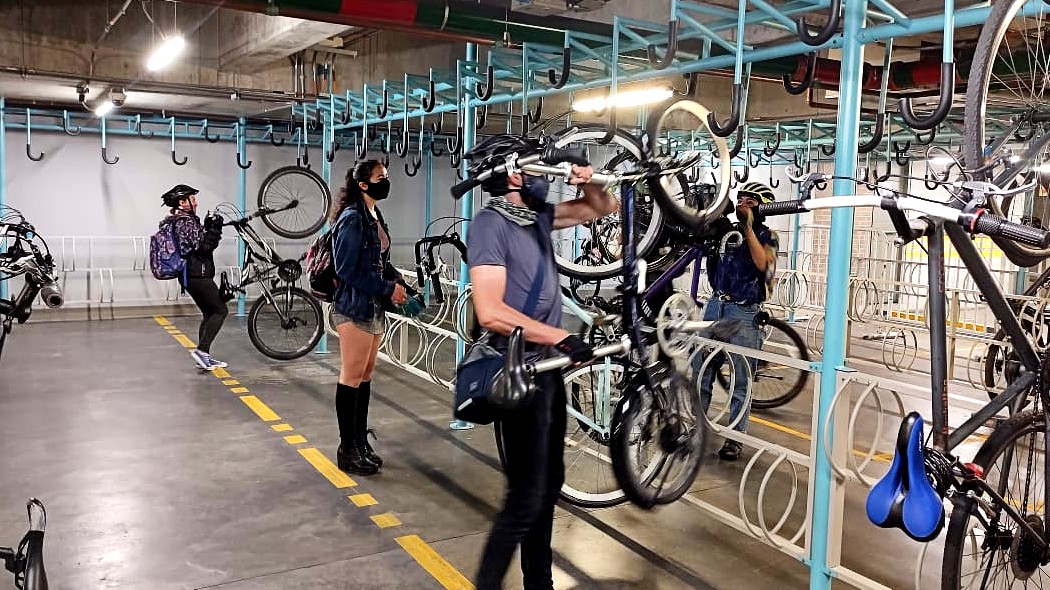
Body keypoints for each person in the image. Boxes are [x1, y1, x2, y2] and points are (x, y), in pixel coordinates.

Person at [468, 161, 612, 590]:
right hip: (518, 368)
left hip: (547, 369)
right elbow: (490, 311)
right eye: (538, 166)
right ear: (514, 175)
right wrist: (561, 336)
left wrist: (592, 179)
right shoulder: (489, 225)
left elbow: (600, 207)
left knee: (549, 485)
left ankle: (540, 583)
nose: (545, 176)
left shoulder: (536, 218)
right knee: (525, 494)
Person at [330, 160, 408, 476]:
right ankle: (346, 448)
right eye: (380, 177)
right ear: (363, 184)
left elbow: (378, 261)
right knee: (351, 376)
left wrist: (398, 282)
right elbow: (346, 269)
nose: (385, 181)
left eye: (386, 177)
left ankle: (360, 442)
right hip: (353, 307)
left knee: (365, 375)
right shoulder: (352, 219)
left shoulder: (374, 214)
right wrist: (387, 287)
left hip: (373, 306)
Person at [692, 181, 779, 461]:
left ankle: (734, 438)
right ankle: (695, 429)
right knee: (701, 371)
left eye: (750, 202)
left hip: (744, 313)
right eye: (740, 200)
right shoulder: (724, 232)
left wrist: (748, 228)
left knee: (741, 380)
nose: (742, 205)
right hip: (716, 306)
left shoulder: (768, 236)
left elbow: (763, 265)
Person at [160, 184, 228, 371]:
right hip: (196, 274)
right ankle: (202, 352)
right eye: (192, 198)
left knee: (209, 313)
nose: (195, 202)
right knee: (220, 311)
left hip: (192, 274)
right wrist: (215, 230)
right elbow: (203, 247)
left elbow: (195, 242)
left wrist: (206, 227)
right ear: (183, 202)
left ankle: (203, 355)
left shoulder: (181, 220)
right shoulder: (185, 221)